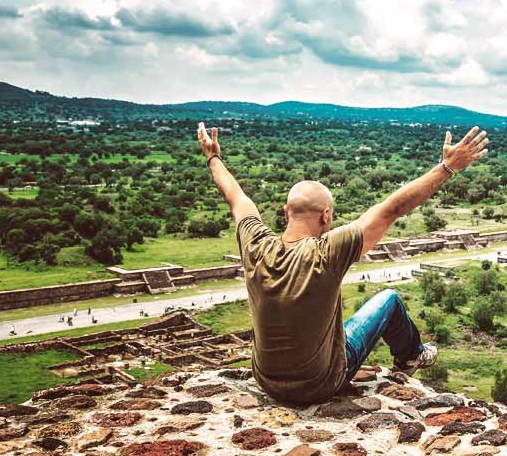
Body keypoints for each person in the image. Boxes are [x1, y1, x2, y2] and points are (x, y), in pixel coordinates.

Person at [197, 121, 488, 405]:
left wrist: (213, 157)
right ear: (326, 215)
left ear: (286, 212)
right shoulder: (328, 252)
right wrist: (447, 167)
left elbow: (236, 197)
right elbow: (392, 208)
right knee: (389, 300)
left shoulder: (256, 245)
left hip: (267, 380)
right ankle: (412, 355)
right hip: (321, 384)